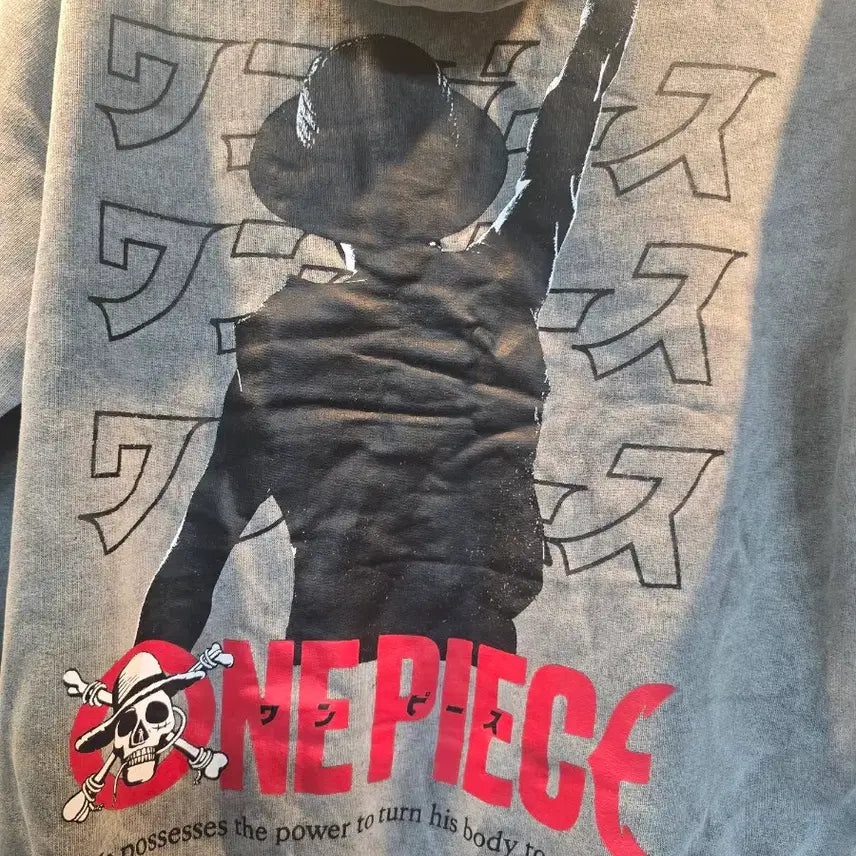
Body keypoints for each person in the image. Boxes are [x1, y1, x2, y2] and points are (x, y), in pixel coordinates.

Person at [136, 0, 638, 662]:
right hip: (459, 674)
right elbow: (559, 148)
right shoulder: (497, 284)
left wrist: (135, 682)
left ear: (320, 198)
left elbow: (200, 548)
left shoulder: (284, 343)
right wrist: (604, 27)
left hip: (350, 682)